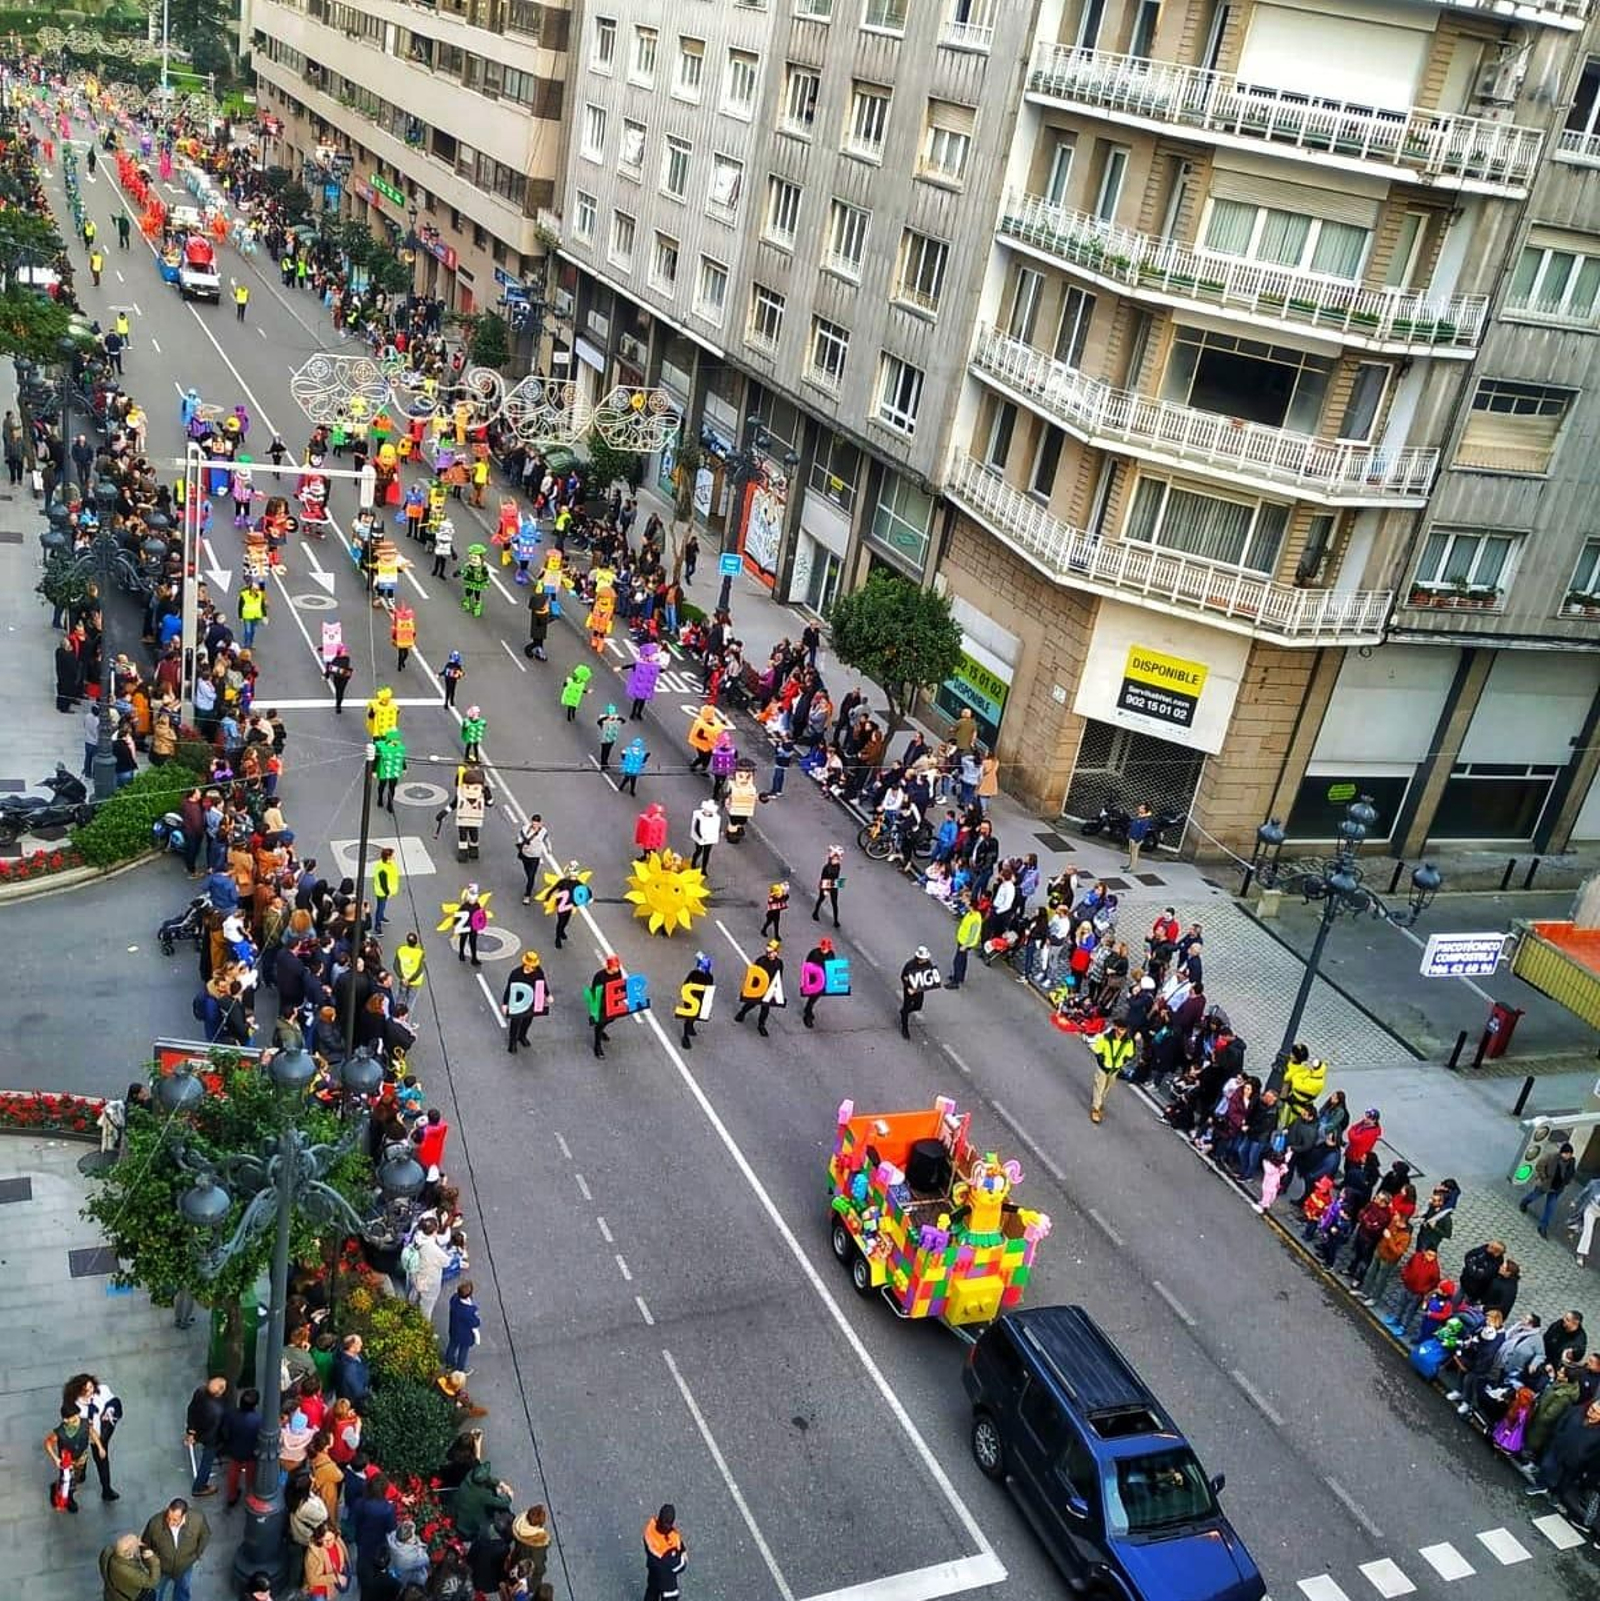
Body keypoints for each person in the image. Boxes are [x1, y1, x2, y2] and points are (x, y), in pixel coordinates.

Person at [143, 1497, 210, 1601]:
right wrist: (151, 1565)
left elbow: (205, 1534)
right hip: (161, 1568)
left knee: (183, 1589)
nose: (170, 1523)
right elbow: (144, 1545)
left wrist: (197, 1554)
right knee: (155, 1592)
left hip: (184, 1567)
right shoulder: (154, 1523)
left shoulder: (198, 1519)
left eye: (175, 1520)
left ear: (184, 1516)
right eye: (168, 1518)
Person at [69, 1373, 122, 1501]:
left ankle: (106, 1490)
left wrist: (109, 1410)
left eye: (91, 1387)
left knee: (102, 1462)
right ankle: (81, 1474)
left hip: (100, 1433)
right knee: (82, 1455)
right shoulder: (75, 1406)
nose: (90, 1392)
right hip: (83, 1435)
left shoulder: (102, 1390)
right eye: (86, 1390)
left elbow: (113, 1401)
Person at [1520, 1140, 1576, 1238]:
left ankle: (1543, 1227)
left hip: (1557, 1188)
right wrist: (1543, 1176)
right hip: (1546, 1184)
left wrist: (1567, 1181)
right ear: (1562, 1153)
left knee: (1550, 1208)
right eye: (1567, 1153)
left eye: (1570, 1154)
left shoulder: (1571, 1162)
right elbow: (1540, 1165)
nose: (1568, 1156)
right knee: (1534, 1196)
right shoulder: (1552, 1157)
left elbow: (1570, 1174)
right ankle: (1524, 1202)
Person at [1088, 1020, 1140, 1126]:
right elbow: (1098, 1050)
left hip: (1115, 1068)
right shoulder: (1106, 1038)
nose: (1122, 1032)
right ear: (1116, 1027)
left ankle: (1099, 1101)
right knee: (1099, 1086)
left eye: (1124, 1030)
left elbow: (1129, 1054)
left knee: (1107, 1088)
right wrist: (1102, 1060)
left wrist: (1122, 1061)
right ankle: (1096, 1108)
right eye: (1120, 1029)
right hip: (1103, 1067)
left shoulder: (1128, 1042)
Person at [46, 1401, 95, 1512]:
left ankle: (67, 1483)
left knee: (78, 1476)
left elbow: (91, 1431)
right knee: (69, 1482)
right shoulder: (60, 1432)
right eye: (73, 1420)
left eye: (77, 1417)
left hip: (82, 1457)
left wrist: (99, 1446)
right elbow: (48, 1443)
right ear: (65, 1420)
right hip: (68, 1462)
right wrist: (55, 1459)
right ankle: (68, 1499)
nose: (77, 1422)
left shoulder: (84, 1423)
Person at [184, 1376, 228, 1496]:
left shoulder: (200, 1391)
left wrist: (191, 1432)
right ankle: (199, 1487)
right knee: (206, 1462)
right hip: (210, 1438)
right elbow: (213, 1432)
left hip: (198, 1428)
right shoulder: (216, 1411)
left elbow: (191, 1409)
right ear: (218, 1393)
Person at [735, 940, 784, 1037]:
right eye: (768, 952)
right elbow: (754, 975)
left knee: (765, 1008)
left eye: (771, 952)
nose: (769, 954)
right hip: (758, 988)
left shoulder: (779, 963)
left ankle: (761, 1025)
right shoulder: (761, 961)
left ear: (776, 953)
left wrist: (776, 989)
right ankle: (742, 1012)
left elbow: (779, 976)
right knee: (751, 1003)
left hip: (769, 989)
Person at [643, 1504, 687, 1601]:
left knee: (651, 1592)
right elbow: (680, 1565)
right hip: (667, 1583)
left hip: (653, 1570)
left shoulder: (650, 1529)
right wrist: (683, 1554)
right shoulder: (668, 1546)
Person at [99, 1532, 161, 1601]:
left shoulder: (107, 1552)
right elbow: (153, 1581)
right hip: (127, 1597)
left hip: (112, 1594)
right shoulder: (128, 1572)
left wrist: (134, 1543)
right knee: (152, 1593)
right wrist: (153, 1559)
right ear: (129, 1554)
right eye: (136, 1546)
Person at [899, 947, 940, 1040]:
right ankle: (904, 1028)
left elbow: (929, 976)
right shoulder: (910, 965)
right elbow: (903, 977)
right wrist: (909, 987)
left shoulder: (928, 964)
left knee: (918, 1006)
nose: (927, 959)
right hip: (909, 990)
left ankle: (904, 1012)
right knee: (906, 1007)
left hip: (919, 989)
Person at [302, 1521, 351, 1598]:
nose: (328, 1543)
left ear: (335, 1535)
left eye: (331, 1539)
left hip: (332, 1588)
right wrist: (335, 1577)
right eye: (324, 1540)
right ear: (319, 1539)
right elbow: (312, 1580)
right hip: (319, 1592)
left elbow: (344, 1560)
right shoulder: (313, 1553)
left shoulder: (338, 1542)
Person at [445, 1279, 482, 1371]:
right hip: (465, 1336)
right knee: (463, 1351)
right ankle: (460, 1369)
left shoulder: (454, 1299)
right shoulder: (468, 1311)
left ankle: (448, 1361)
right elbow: (475, 1322)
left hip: (454, 1329)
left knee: (452, 1345)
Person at [947, 896, 983, 989]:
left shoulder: (975, 918)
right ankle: (960, 977)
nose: (966, 904)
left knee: (958, 961)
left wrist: (965, 945)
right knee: (962, 960)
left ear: (971, 906)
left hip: (965, 943)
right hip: (962, 939)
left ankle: (955, 981)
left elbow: (973, 935)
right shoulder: (971, 914)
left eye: (968, 903)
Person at [812, 845, 844, 927]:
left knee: (834, 903)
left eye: (837, 859)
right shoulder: (826, 868)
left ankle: (836, 920)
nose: (836, 860)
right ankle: (815, 912)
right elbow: (823, 879)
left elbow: (836, 877)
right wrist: (825, 890)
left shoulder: (838, 866)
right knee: (821, 899)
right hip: (826, 885)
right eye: (834, 859)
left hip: (833, 885)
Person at [395, 931, 427, 1011]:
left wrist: (403, 978)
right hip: (415, 982)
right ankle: (406, 1020)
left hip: (403, 980)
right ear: (416, 942)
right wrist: (410, 980)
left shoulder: (401, 950)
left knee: (400, 999)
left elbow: (396, 966)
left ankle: (396, 1016)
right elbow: (419, 970)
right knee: (410, 1001)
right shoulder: (420, 953)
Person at [372, 846, 400, 935]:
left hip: (385, 891)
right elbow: (383, 884)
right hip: (382, 892)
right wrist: (388, 893)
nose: (394, 857)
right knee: (380, 908)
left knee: (382, 907)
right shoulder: (382, 869)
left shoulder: (387, 864)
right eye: (392, 855)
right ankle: (377, 926)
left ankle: (381, 917)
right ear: (388, 857)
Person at [689, 799, 720, 873]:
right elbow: (697, 828)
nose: (707, 812)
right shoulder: (699, 817)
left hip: (709, 839)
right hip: (701, 839)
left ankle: (704, 869)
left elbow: (716, 827)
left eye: (709, 811)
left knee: (706, 854)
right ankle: (693, 863)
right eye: (706, 810)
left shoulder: (715, 818)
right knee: (698, 851)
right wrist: (702, 837)